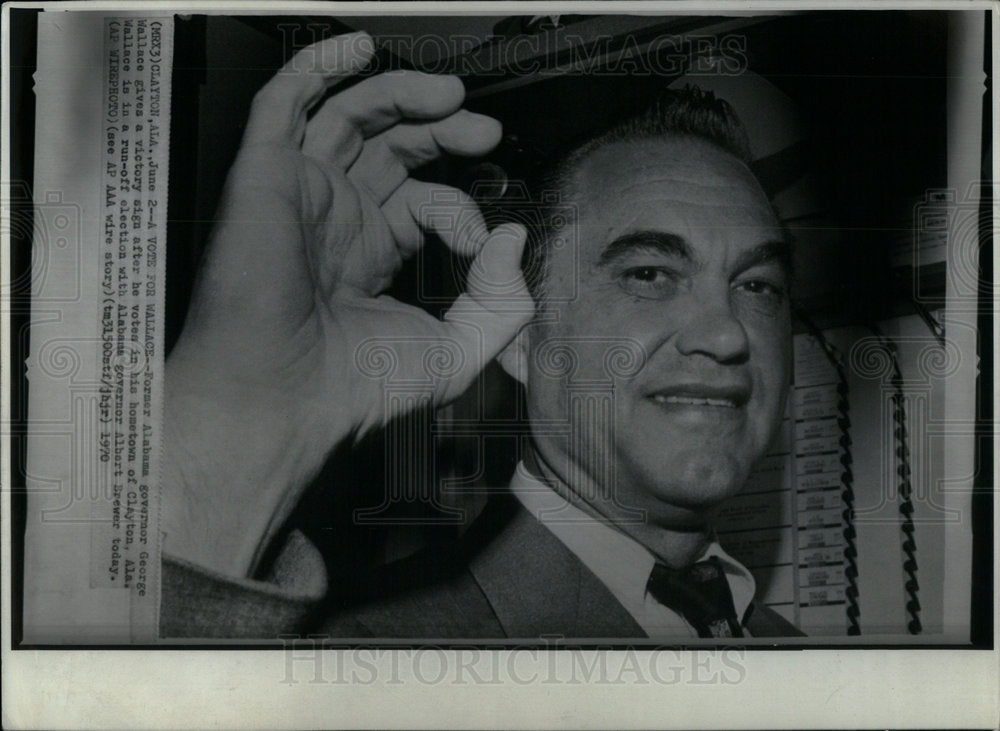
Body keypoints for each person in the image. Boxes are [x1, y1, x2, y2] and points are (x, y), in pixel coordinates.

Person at [160, 32, 802, 640]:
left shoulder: (802, 657)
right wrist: (239, 427)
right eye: (650, 273)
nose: (726, 336)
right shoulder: (373, 659)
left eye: (758, 286)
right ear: (522, 336)